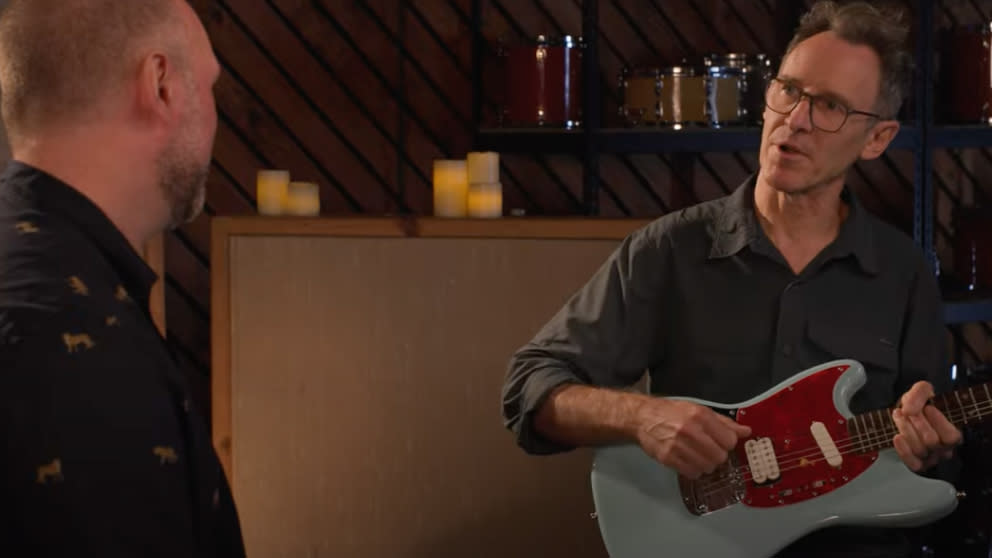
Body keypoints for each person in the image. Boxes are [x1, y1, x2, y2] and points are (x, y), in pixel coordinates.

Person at [502, 2, 961, 556]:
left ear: (878, 139)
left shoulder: (904, 271)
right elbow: (528, 387)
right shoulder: (670, 250)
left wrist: (929, 446)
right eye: (788, 90)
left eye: (831, 107)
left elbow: (927, 440)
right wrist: (644, 416)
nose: (795, 119)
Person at [0, 0, 245, 555]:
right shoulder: (72, 355)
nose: (213, 118)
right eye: (209, 88)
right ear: (160, 84)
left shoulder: (48, 273)